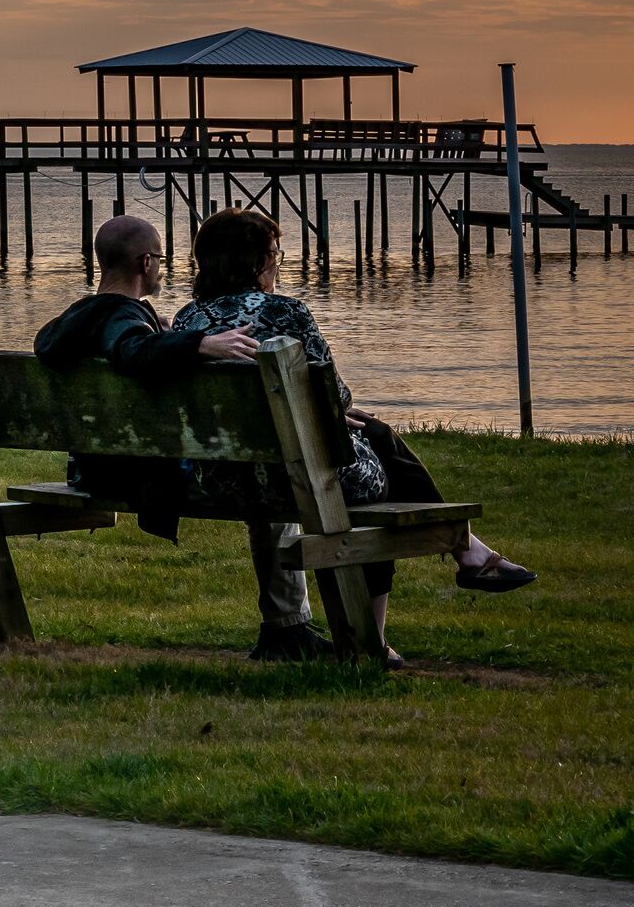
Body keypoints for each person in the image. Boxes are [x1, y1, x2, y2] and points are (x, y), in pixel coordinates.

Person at [170, 208, 536, 666]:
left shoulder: (186, 322)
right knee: (378, 491)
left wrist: (335, 412)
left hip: (223, 478)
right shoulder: (286, 311)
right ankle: (405, 611)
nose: (279, 261)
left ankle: (469, 555)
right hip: (294, 475)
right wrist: (336, 411)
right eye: (275, 253)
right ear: (256, 261)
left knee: (373, 433)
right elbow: (336, 393)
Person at [35, 214, 328, 660]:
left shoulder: (77, 318)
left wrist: (171, 337)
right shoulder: (123, 315)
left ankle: (287, 630)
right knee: (267, 474)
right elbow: (131, 349)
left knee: (263, 470)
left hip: (93, 469)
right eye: (161, 260)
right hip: (141, 476)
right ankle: (288, 629)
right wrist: (199, 345)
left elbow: (86, 345)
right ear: (146, 263)